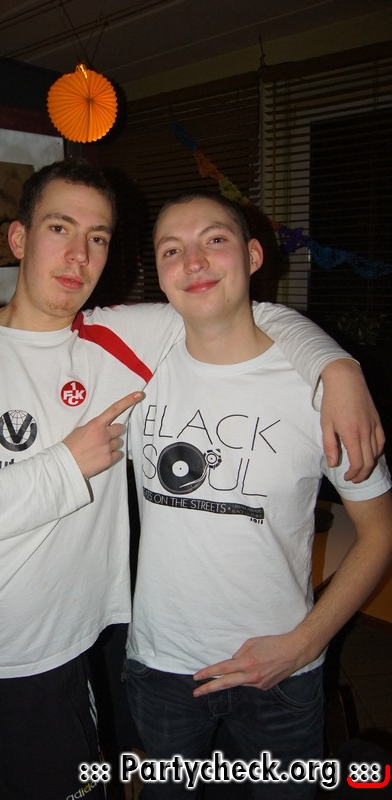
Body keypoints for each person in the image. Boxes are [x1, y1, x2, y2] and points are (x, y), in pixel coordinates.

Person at [0, 159, 383, 800]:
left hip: (65, 663)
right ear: (17, 238)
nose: (78, 255)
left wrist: (337, 365)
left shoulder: (122, 342)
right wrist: (66, 464)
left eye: (97, 238)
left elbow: (241, 308)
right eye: (59, 228)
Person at [124, 191, 392, 799]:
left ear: (252, 255)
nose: (193, 262)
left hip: (282, 668)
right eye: (172, 250)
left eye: (214, 240)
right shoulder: (135, 369)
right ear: (158, 273)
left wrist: (303, 644)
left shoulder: (318, 386)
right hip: (163, 666)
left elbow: (380, 533)